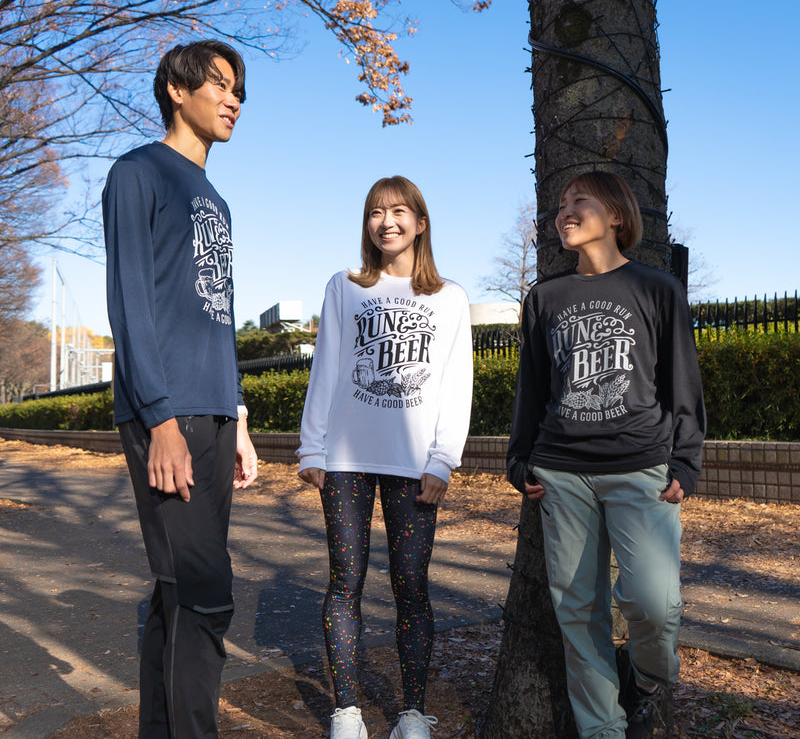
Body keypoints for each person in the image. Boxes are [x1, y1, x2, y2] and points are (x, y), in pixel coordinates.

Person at [507, 171, 706, 739]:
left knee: (655, 602)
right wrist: (520, 460)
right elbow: (533, 388)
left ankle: (643, 682)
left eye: (579, 202)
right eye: (560, 204)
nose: (564, 211)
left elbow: (682, 383)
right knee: (578, 613)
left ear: (616, 215)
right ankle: (603, 730)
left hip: (642, 468)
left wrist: (685, 461)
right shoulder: (545, 297)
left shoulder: (657, 288)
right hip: (561, 473)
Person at [102, 40, 259, 739]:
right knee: (204, 595)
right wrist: (159, 419)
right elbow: (130, 302)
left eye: (239, 92)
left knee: (177, 597)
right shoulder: (138, 173)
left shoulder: (216, 200)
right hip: (167, 413)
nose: (233, 101)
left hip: (216, 413)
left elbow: (216, 316)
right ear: (176, 88)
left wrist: (241, 418)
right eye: (221, 86)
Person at [296, 176, 473, 739]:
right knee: (345, 581)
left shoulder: (449, 297)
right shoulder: (345, 286)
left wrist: (444, 459)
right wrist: (312, 445)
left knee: (411, 586)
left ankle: (412, 714)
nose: (387, 221)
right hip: (346, 458)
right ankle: (346, 712)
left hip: (414, 464)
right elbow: (325, 367)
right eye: (376, 212)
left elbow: (455, 385)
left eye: (399, 211)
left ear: (421, 223)